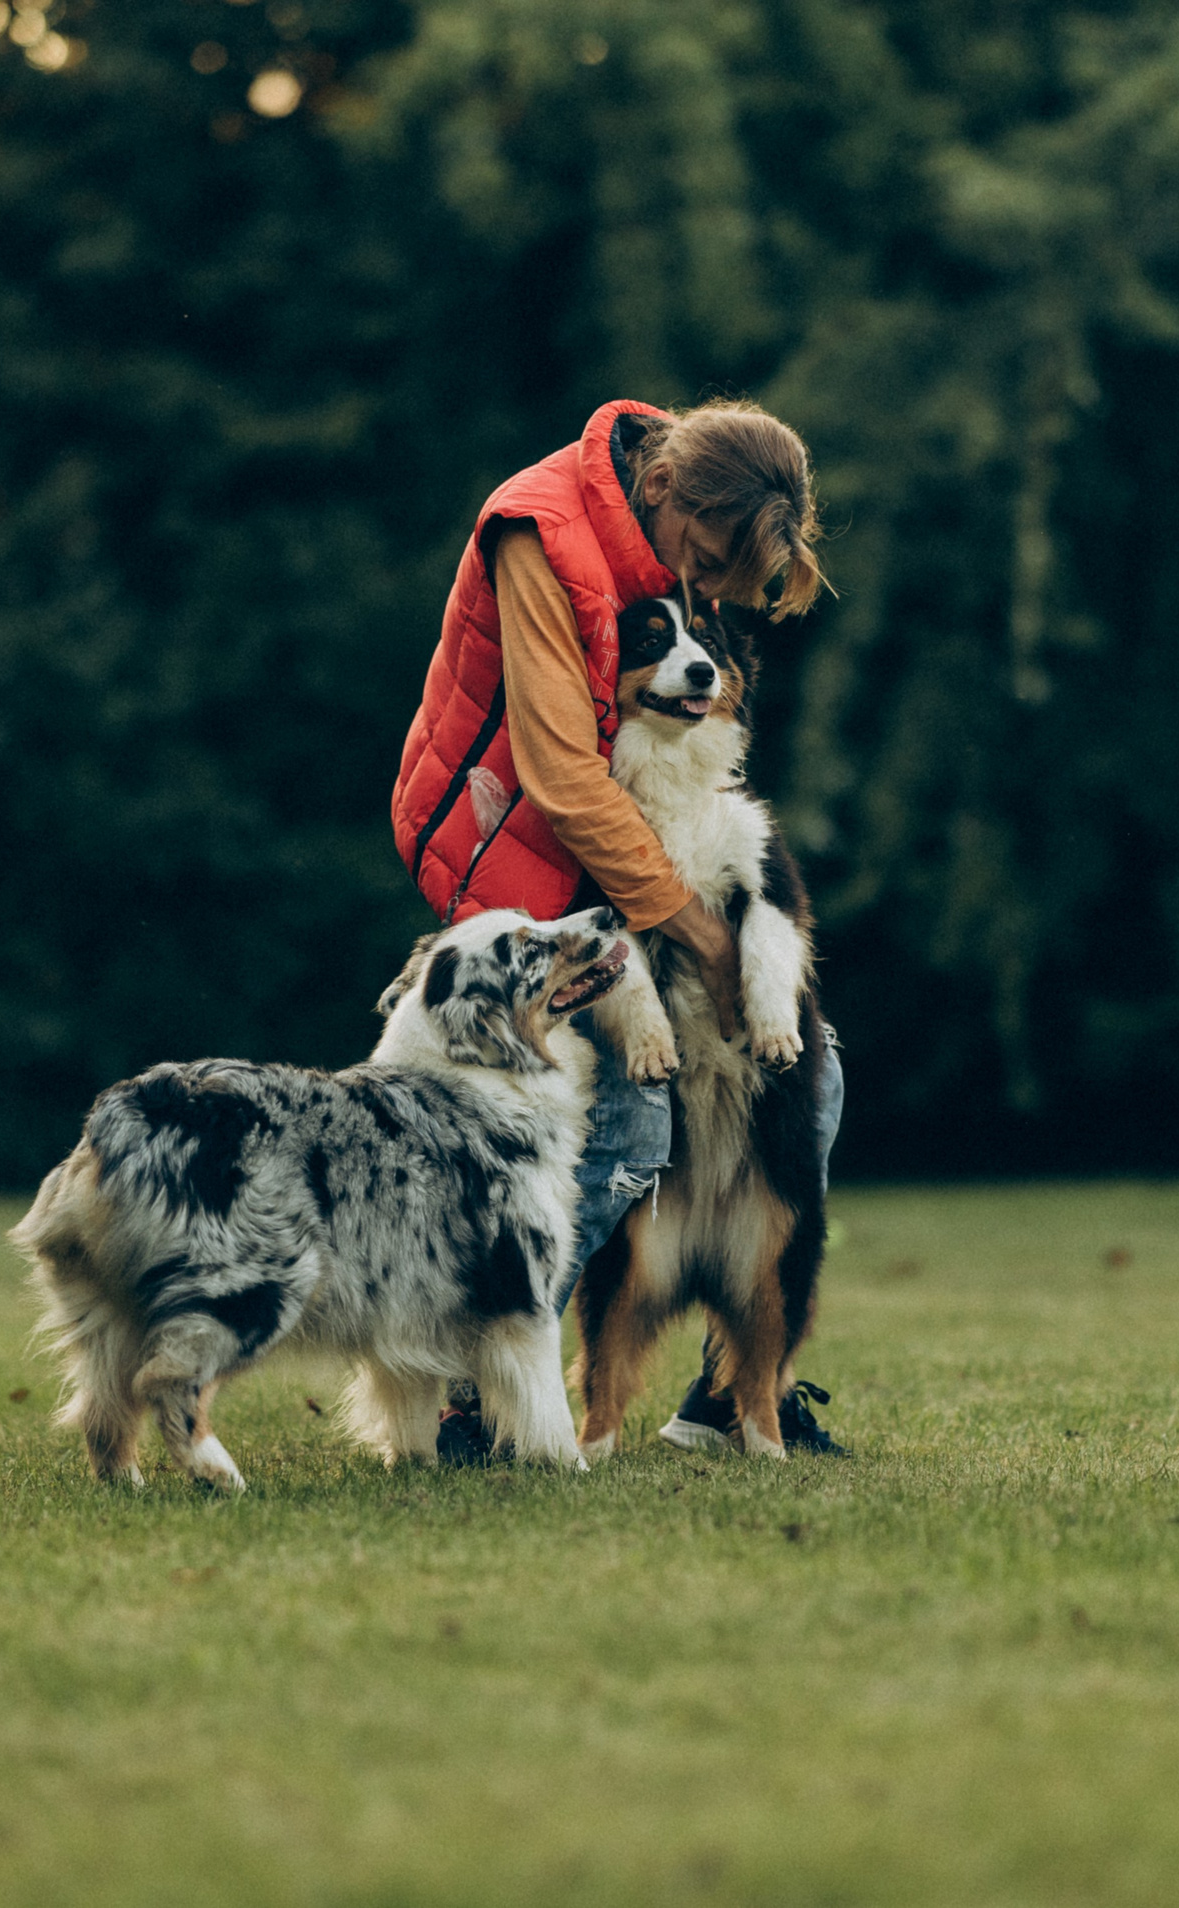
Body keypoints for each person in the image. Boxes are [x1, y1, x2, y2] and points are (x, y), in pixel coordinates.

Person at [393, 398, 847, 1460]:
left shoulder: (667, 526)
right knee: (630, 1130)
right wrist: (704, 935)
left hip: (612, 839)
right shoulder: (537, 534)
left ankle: (737, 1392)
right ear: (664, 493)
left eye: (729, 587)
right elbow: (560, 777)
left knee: (817, 1081)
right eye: (708, 562)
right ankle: (475, 1401)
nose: (710, 595)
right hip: (505, 830)